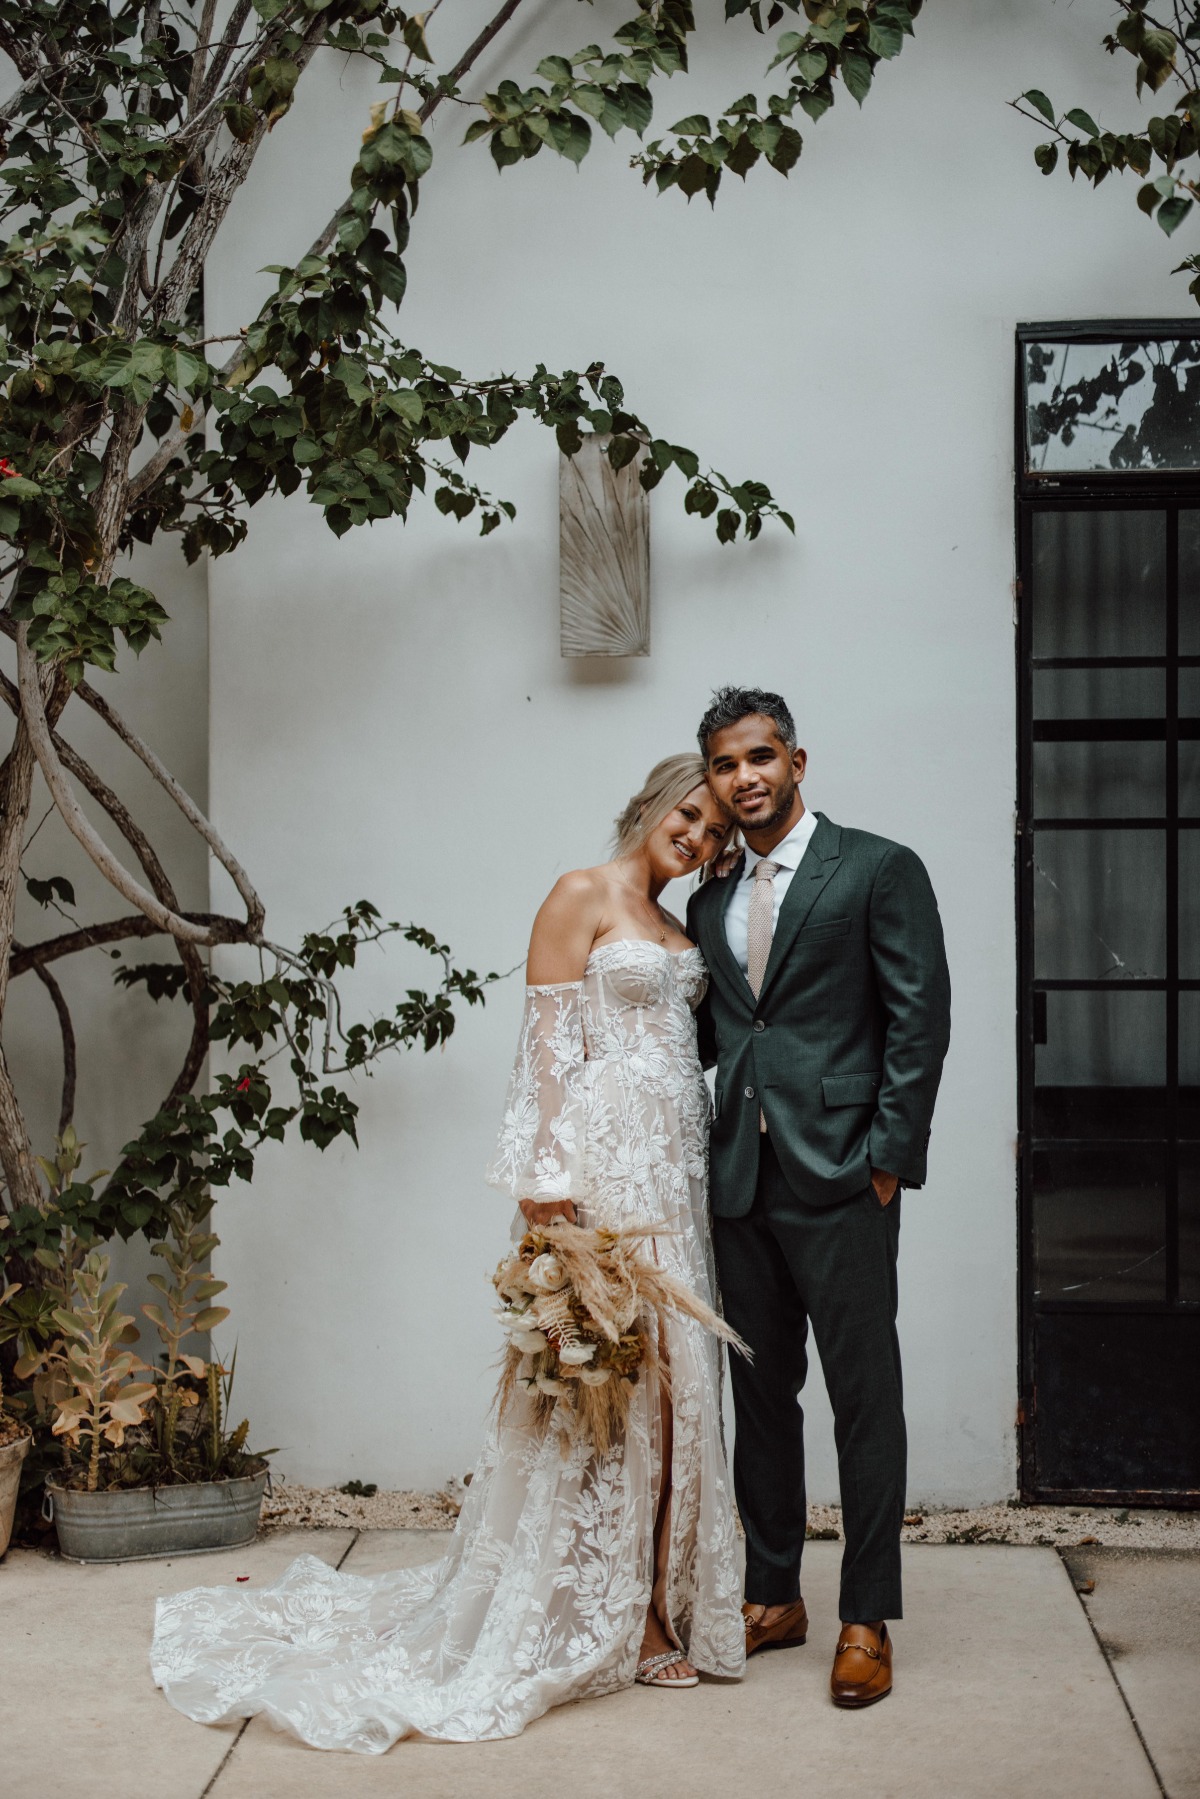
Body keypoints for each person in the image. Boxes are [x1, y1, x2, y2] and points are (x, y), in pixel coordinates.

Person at [151, 753, 744, 1753]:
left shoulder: (685, 930)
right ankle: (618, 1612)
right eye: (691, 813)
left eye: (719, 831)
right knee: (608, 1391)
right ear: (651, 803)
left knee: (682, 1394)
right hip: (603, 1179)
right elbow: (545, 1046)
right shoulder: (580, 892)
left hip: (675, 1183)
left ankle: (661, 1601)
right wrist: (546, 1188)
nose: (701, 836)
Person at [686, 687, 951, 1710]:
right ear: (709, 778)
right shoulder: (709, 899)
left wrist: (888, 1159)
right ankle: (772, 1591)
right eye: (723, 763)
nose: (744, 776)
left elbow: (918, 1021)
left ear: (797, 761)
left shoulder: (878, 868)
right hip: (739, 1181)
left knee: (862, 1395)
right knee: (759, 1393)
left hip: (843, 1174)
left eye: (760, 755)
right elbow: (719, 1036)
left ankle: (864, 1615)